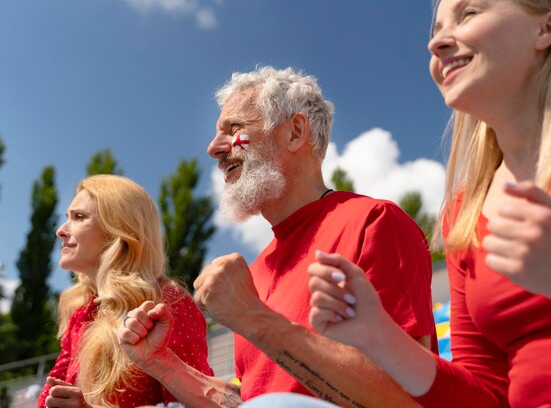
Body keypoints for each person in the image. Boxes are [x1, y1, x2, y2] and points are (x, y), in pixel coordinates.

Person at [308, 0, 551, 407]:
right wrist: (377, 333)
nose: (436, 42)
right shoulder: (464, 216)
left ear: (548, 28)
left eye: (468, 14)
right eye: (436, 30)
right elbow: (484, 395)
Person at [118, 66, 436, 407]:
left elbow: (409, 394)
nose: (213, 148)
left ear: (295, 132)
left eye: (234, 129)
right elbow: (259, 400)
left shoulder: (373, 223)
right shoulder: (253, 274)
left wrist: (255, 319)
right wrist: (162, 364)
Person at [38, 175, 213, 408]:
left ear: (117, 228)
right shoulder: (82, 313)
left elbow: (200, 403)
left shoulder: (166, 302)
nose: (60, 230)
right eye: (67, 218)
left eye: (79, 217)